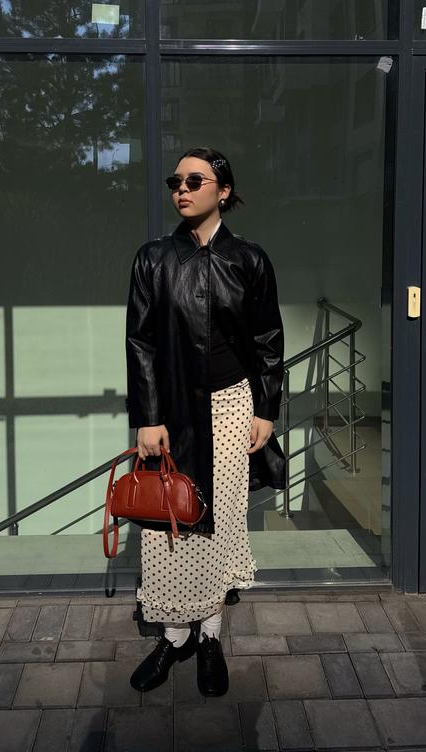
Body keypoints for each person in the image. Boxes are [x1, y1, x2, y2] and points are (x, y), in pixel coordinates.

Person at [124, 146, 285, 697]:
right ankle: (174, 637)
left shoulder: (249, 259)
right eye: (176, 181)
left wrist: (266, 408)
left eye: (195, 180)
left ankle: (210, 635)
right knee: (169, 523)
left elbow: (268, 340)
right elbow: (141, 342)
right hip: (170, 411)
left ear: (223, 190)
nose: (182, 189)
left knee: (220, 522)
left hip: (234, 406)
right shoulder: (152, 258)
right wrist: (148, 417)